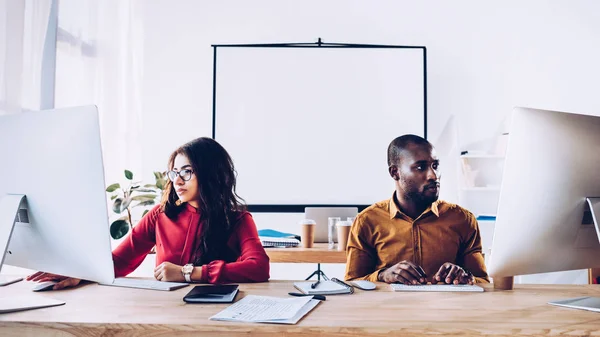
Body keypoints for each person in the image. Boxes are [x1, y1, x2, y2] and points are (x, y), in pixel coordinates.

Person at [28, 137, 270, 289]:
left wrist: (188, 273)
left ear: (211, 174)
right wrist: (79, 272)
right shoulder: (160, 215)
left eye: (187, 171)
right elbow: (121, 261)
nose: (178, 180)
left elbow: (258, 267)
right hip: (165, 311)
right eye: (175, 172)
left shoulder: (237, 219)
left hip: (215, 313)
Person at [344, 134, 489, 285]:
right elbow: (352, 283)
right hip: (389, 308)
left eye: (435, 166)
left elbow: (483, 281)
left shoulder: (463, 219)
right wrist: (382, 275)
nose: (433, 175)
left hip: (444, 308)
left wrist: (466, 278)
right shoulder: (367, 221)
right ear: (395, 173)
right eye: (420, 167)